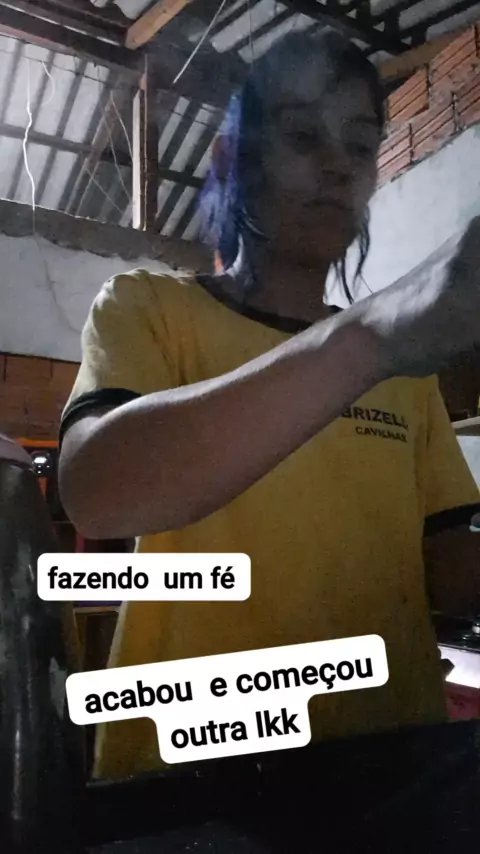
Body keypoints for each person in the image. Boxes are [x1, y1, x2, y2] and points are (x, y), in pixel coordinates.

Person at [59, 29, 480, 782]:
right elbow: (99, 491)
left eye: (360, 146)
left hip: (391, 765)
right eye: (303, 136)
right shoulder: (148, 308)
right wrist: (367, 337)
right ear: (232, 159)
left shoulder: (402, 367)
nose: (337, 166)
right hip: (193, 769)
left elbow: (448, 572)